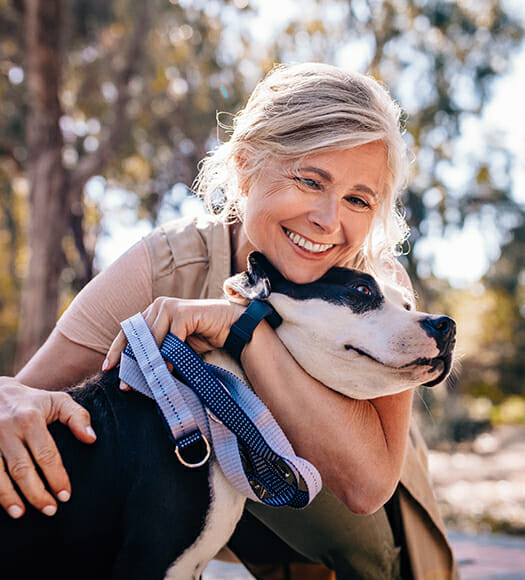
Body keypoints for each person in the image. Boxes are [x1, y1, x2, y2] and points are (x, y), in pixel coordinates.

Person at [0, 63, 458, 579]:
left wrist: (241, 329)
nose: (329, 221)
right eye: (310, 180)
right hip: (187, 493)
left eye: (357, 199)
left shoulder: (380, 292)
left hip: (349, 522)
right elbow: (25, 396)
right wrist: (6, 397)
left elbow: (365, 485)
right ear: (244, 166)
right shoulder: (170, 264)